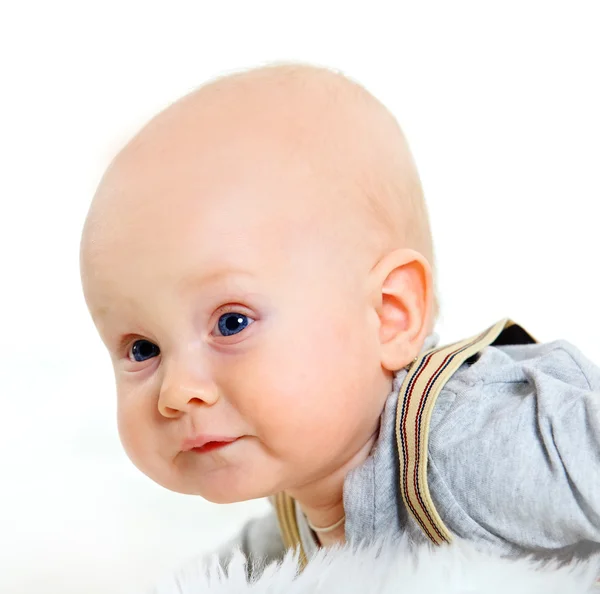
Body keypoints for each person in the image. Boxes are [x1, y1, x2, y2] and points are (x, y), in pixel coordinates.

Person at [79, 62, 600, 576]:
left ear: (388, 315)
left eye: (231, 323)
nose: (178, 391)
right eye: (143, 348)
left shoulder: (468, 446)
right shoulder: (298, 510)